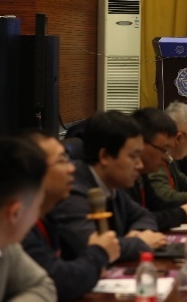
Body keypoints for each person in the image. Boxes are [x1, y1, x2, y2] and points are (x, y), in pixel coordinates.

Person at [53, 111, 167, 262]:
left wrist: (138, 232)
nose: (140, 165)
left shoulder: (111, 183)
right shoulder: (72, 190)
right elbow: (94, 248)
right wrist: (140, 242)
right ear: (105, 156)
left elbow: (144, 215)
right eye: (133, 156)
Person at [20, 129, 121, 301]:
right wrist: (100, 252)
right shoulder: (20, 227)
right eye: (62, 161)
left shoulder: (48, 215)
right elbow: (61, 281)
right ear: (34, 172)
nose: (72, 168)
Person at [0, 137, 56, 302]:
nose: (37, 216)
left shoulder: (1, 236)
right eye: (38, 207)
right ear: (15, 213)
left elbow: (44, 286)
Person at [129, 107, 187, 227]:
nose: (167, 157)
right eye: (164, 150)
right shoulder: (122, 180)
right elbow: (131, 222)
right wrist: (182, 214)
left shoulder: (140, 175)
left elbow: (152, 208)